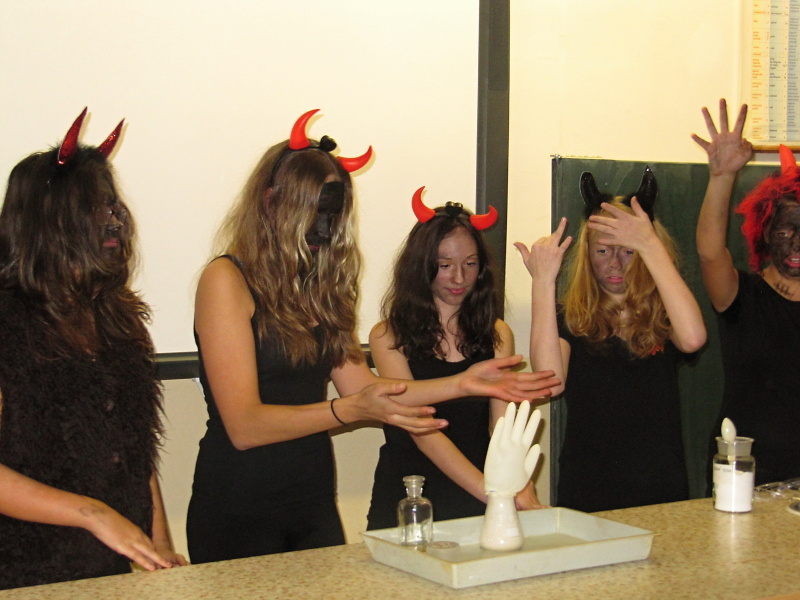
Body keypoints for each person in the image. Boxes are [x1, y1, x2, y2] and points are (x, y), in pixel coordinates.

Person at [186, 110, 559, 563]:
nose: (324, 229)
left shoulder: (318, 289)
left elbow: (368, 390)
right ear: (271, 202)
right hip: (238, 504)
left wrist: (463, 383)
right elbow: (245, 427)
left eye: (333, 215)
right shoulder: (226, 280)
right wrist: (348, 410)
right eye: (314, 213)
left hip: (311, 499)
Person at [0, 108, 186, 590]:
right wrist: (92, 513)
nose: (113, 219)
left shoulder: (119, 318)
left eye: (112, 205)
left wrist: (157, 545)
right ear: (45, 220)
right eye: (94, 208)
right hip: (22, 572)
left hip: (107, 573)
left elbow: (136, 447)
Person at [515, 168, 707, 512]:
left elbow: (693, 339)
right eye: (603, 251)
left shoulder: (665, 311)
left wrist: (649, 243)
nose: (616, 264)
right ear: (587, 255)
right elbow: (550, 383)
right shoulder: (570, 316)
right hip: (589, 486)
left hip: (659, 485)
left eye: (628, 252)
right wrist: (542, 282)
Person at [366, 188, 546, 530]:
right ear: (421, 266)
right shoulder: (387, 335)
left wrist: (519, 483)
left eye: (470, 264)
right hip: (411, 494)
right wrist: (494, 492)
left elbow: (502, 430)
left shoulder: (497, 333)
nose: (459, 278)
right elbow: (422, 431)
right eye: (445, 265)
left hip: (480, 490)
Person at [692, 99, 800, 486]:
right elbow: (710, 252)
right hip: (743, 477)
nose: (796, 245)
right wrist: (722, 177)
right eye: (785, 230)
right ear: (764, 232)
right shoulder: (742, 295)